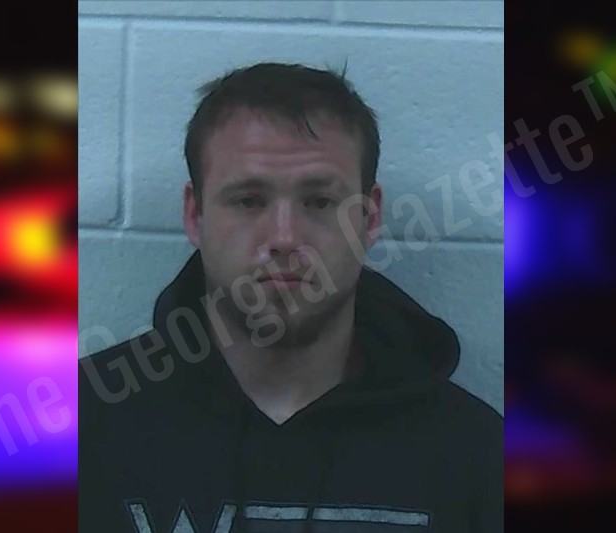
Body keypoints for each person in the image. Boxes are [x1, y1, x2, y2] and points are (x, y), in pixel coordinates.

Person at [79, 62, 502, 533]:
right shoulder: (80, 430)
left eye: (319, 202)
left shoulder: (478, 458)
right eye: (248, 200)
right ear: (196, 215)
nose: (284, 238)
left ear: (369, 218)